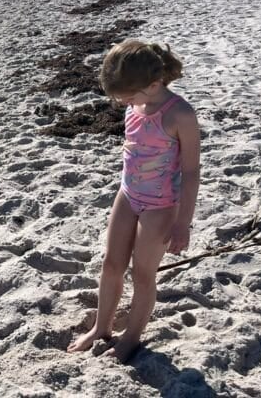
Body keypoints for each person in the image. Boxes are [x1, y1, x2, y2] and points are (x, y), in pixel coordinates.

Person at [67, 40, 200, 362]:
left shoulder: (180, 114)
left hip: (161, 205)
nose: (122, 102)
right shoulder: (134, 105)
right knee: (112, 264)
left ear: (154, 84)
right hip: (127, 195)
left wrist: (183, 223)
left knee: (143, 274)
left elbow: (192, 171)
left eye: (126, 96)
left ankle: (132, 336)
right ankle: (101, 327)